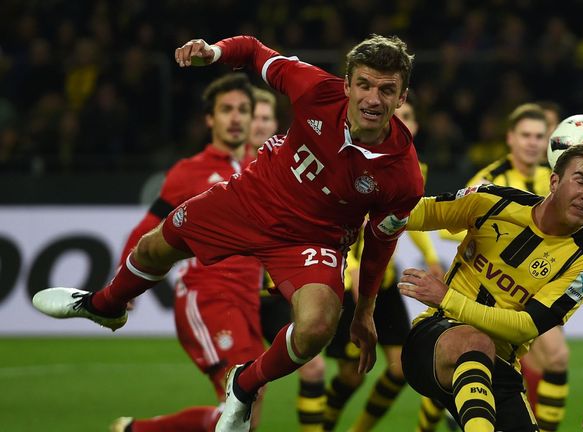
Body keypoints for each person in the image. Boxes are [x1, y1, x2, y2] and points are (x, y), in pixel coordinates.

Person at [33, 33, 423, 432]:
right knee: (154, 248)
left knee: (317, 327)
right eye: (365, 85)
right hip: (251, 200)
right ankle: (105, 305)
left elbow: (380, 242)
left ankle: (245, 382)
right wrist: (215, 52)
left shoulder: (404, 177)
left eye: (387, 90)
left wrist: (364, 312)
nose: (373, 99)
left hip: (313, 241)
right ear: (347, 85)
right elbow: (253, 51)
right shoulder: (314, 89)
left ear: (402, 97)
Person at [399, 141, 583, 432]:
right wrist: (360, 211)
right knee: (476, 341)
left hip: (499, 367)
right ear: (554, 181)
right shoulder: (494, 200)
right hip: (433, 340)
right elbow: (420, 213)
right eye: (580, 181)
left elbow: (527, 327)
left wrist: (448, 297)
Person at [109, 72, 262, 432]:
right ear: (210, 119)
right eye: (226, 110)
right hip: (206, 296)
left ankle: (135, 431)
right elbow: (147, 228)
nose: (236, 117)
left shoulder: (262, 167)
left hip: (246, 301)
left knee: (248, 409)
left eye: (243, 109)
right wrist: (124, 284)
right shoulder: (188, 172)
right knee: (239, 409)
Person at [438, 103, 572, 431]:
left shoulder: (551, 180)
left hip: (530, 290)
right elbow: (447, 223)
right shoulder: (489, 179)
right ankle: (449, 412)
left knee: (553, 360)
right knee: (473, 363)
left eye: (539, 136)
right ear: (510, 138)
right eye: (525, 135)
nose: (532, 142)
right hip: (489, 290)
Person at [322, 100, 444, 432]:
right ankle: (322, 428)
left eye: (406, 117)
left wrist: (431, 257)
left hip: (383, 280)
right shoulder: (361, 159)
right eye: (396, 117)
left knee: (399, 368)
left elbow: (409, 218)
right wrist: (354, 266)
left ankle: (358, 430)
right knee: (351, 374)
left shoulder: (417, 168)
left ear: (415, 127)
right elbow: (354, 218)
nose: (399, 123)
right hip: (354, 277)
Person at [248, 85, 328, 432]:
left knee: (313, 368)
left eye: (267, 117)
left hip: (273, 290)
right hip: (236, 294)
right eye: (255, 117)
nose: (261, 124)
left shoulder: (290, 164)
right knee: (251, 389)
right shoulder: (223, 171)